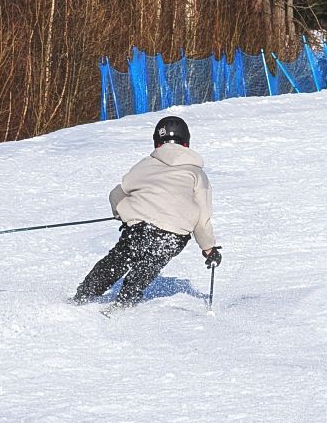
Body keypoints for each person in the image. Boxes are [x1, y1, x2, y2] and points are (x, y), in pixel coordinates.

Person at [72, 115, 221, 307]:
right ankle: (125, 302)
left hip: (139, 228)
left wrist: (123, 214)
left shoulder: (146, 164)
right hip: (174, 233)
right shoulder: (197, 174)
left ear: (157, 142)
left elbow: (116, 194)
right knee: (149, 264)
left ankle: (83, 296)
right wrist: (208, 249)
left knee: (118, 259)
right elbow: (202, 219)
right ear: (186, 142)